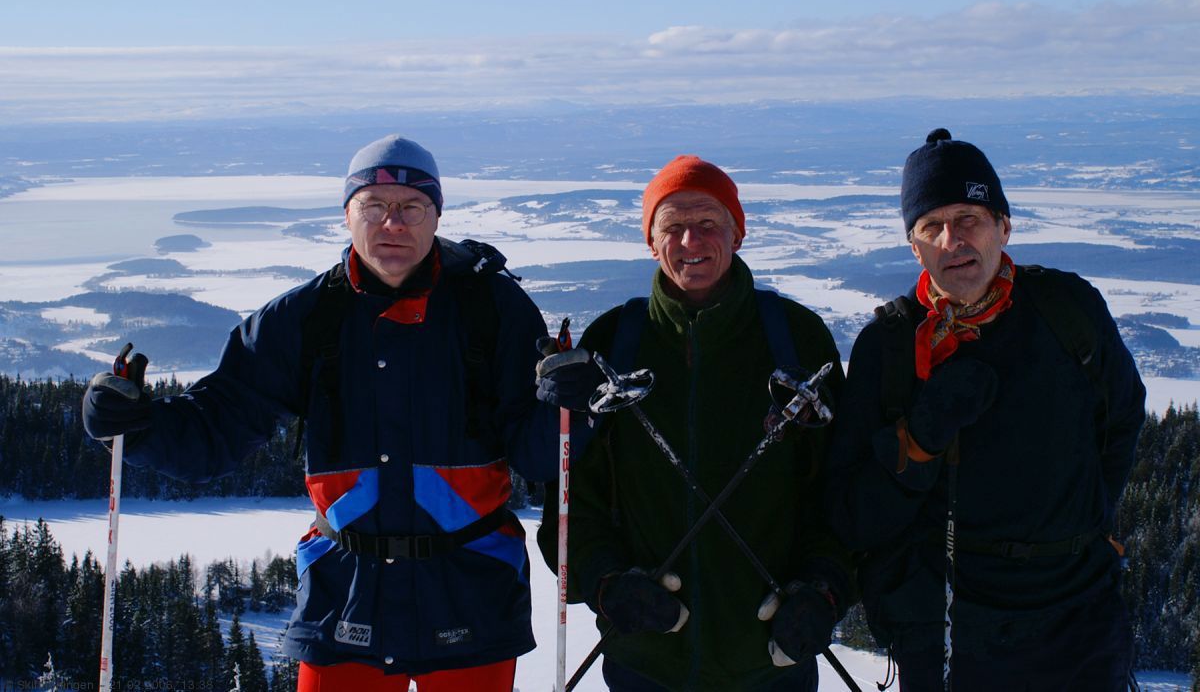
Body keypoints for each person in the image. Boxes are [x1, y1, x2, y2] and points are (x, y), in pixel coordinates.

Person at [83, 134, 558, 691]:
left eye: (411, 207)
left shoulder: (493, 310)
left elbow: (541, 452)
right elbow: (219, 426)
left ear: (436, 216)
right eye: (374, 206)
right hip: (346, 593)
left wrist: (570, 406)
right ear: (347, 215)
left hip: (470, 590)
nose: (393, 223)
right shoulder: (304, 318)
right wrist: (136, 426)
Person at [826, 129, 1146, 691]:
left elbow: (1121, 418)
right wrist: (922, 437)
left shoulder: (1066, 311)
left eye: (969, 217)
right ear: (914, 246)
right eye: (932, 226)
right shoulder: (892, 348)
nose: (953, 240)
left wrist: (1096, 522)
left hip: (1079, 616)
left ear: (1004, 226)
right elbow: (854, 513)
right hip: (952, 623)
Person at [535, 155, 852, 691]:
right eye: (672, 227)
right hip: (647, 658)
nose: (690, 242)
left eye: (708, 223)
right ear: (651, 242)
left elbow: (841, 489)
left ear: (737, 231)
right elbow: (572, 502)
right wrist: (608, 585)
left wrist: (823, 590)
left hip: (770, 655)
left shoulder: (795, 337)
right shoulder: (616, 342)